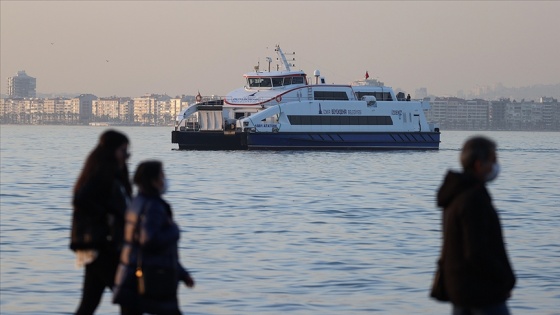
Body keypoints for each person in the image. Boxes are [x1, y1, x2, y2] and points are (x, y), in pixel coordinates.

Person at [435, 136, 516, 314]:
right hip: (483, 293)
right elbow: (477, 251)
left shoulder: (455, 195)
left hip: (460, 289)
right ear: (479, 165)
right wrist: (503, 280)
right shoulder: (473, 199)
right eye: (493, 160)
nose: (496, 166)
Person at [113, 160, 195, 315]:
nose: (165, 179)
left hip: (131, 276)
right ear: (153, 180)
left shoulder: (137, 202)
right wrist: (174, 231)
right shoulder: (154, 207)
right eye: (162, 175)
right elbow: (150, 240)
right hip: (153, 278)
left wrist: (182, 273)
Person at [70, 130, 132, 315]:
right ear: (112, 151)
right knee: (129, 300)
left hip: (98, 247)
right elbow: (81, 200)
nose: (127, 156)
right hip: (103, 246)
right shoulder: (101, 176)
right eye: (123, 150)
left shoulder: (113, 175)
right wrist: (106, 217)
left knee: (89, 302)